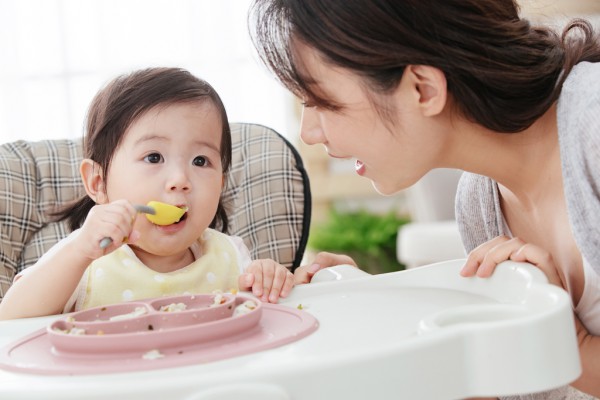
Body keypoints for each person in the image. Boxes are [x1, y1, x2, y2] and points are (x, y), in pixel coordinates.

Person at [248, 1, 600, 399]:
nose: (309, 132)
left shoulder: (593, 127)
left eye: (321, 102)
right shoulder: (479, 202)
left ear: (424, 89)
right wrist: (375, 313)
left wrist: (564, 338)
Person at [0, 67, 321, 320]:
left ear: (220, 184)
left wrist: (273, 280)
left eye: (200, 161)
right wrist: (78, 251)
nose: (180, 179)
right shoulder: (84, 264)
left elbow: (266, 320)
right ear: (97, 183)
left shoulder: (231, 258)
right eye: (154, 157)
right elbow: (11, 320)